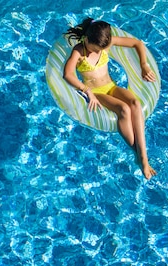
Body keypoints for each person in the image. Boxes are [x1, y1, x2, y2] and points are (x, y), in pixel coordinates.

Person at [63, 18, 157, 180]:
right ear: (87, 39)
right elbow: (68, 74)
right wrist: (87, 91)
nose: (99, 52)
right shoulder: (79, 51)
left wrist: (144, 65)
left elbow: (138, 43)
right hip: (95, 92)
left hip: (111, 87)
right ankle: (142, 158)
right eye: (96, 49)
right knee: (124, 109)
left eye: (102, 49)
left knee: (135, 103)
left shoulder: (107, 42)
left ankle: (142, 155)